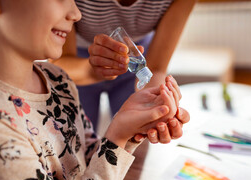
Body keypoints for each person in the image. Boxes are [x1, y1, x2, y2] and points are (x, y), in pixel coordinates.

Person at [0, 0, 189, 180]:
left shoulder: (57, 78)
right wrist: (118, 136)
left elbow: (86, 158)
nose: (76, 13)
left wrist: (130, 128)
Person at [52, 0, 197, 131]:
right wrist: (93, 69)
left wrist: (160, 104)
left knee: (137, 137)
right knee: (77, 140)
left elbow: (156, 68)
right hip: (76, 61)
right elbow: (58, 64)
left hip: (139, 56)